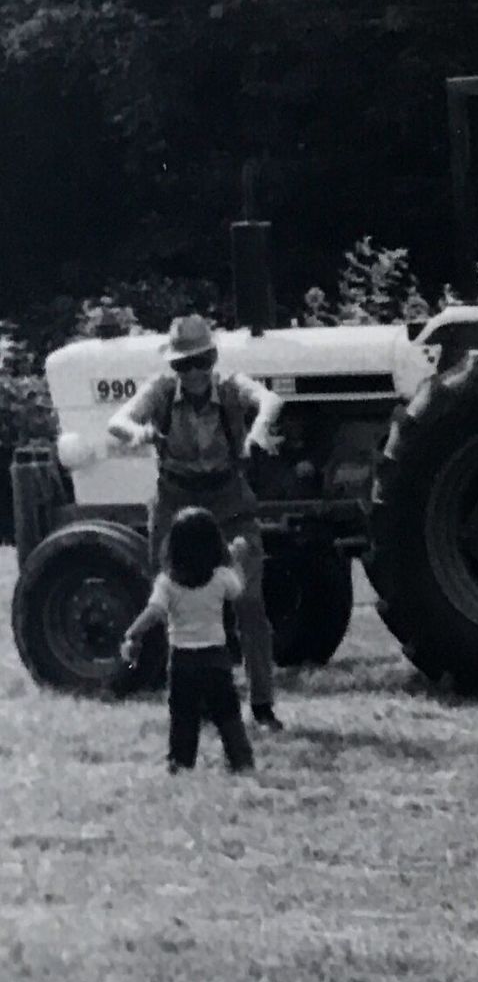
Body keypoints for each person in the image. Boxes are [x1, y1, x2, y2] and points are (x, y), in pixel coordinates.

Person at [108, 315, 287, 732]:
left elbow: (271, 401)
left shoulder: (230, 388)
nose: (192, 373)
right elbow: (117, 422)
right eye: (182, 365)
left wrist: (258, 429)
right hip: (178, 505)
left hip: (229, 506)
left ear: (213, 358)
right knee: (181, 606)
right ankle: (197, 702)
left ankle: (262, 704)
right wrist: (137, 433)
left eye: (200, 361)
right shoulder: (160, 391)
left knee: (249, 603)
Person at [121, 506, 256, 775]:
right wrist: (237, 558)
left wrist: (132, 633)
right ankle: (241, 761)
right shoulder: (220, 577)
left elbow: (155, 612)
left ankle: (181, 763)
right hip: (216, 657)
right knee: (227, 713)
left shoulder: (167, 582)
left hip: (182, 660)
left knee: (183, 716)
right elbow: (238, 590)